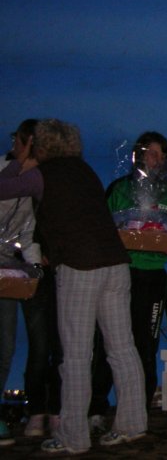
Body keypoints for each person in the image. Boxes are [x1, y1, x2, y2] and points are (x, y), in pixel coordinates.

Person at [0, 119, 147, 454]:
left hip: (80, 267)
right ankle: (132, 424)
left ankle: (73, 437)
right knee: (122, 348)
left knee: (77, 356)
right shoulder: (84, 170)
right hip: (115, 264)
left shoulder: (42, 173)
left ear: (37, 143)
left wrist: (19, 162)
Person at [103, 132, 167, 412]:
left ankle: (140, 407)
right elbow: (103, 227)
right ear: (138, 154)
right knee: (109, 340)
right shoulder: (119, 188)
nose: (156, 160)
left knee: (146, 342)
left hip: (154, 275)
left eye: (162, 156)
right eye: (152, 153)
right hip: (120, 273)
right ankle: (98, 407)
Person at [0, 120, 43, 446]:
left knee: (6, 344)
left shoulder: (35, 181)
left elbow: (28, 233)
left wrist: (35, 268)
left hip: (9, 272)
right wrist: (17, 165)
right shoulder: (4, 170)